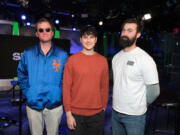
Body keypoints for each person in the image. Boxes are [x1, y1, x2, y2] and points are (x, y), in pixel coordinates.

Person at [17, 18, 68, 135]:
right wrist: (28, 92)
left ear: (52, 32)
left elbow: (66, 78)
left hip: (55, 105)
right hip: (33, 104)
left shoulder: (62, 54)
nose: (44, 32)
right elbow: (21, 73)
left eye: (47, 29)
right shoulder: (28, 53)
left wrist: (59, 92)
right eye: (41, 30)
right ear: (36, 33)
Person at [112, 18, 160, 135]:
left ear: (138, 35)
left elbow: (154, 91)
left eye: (129, 30)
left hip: (135, 116)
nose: (125, 33)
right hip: (115, 112)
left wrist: (140, 105)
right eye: (123, 30)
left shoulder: (145, 59)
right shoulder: (116, 58)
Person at [63, 26, 109, 135]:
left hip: (97, 113)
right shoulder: (71, 60)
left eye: (91, 37)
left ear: (96, 40)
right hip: (75, 113)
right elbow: (66, 88)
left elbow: (104, 87)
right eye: (85, 37)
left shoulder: (103, 61)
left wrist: (103, 107)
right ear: (80, 39)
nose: (88, 40)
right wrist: (68, 114)